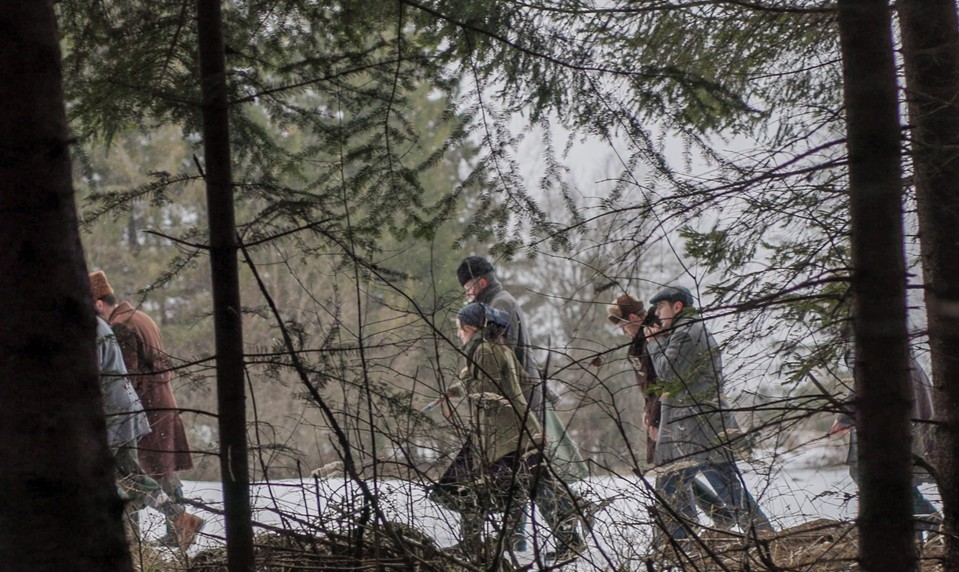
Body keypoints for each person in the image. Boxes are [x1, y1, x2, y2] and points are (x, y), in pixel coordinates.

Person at [430, 303, 585, 562]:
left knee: (476, 490)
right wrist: (459, 387)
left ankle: (472, 546)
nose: (458, 334)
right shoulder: (498, 348)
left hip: (505, 439)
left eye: (459, 328)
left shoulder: (482, 351)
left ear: (470, 327)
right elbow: (520, 381)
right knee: (536, 489)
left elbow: (487, 393)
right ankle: (571, 536)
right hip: (518, 433)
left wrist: (466, 380)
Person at [456, 256, 591, 552]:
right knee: (521, 478)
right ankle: (520, 537)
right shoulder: (500, 300)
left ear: (479, 283)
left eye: (467, 287)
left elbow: (498, 363)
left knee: (524, 478)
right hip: (514, 408)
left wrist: (467, 380)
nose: (467, 293)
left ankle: (550, 533)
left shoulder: (498, 306)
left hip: (511, 411)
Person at [644, 286, 773, 544]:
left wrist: (655, 343)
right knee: (704, 484)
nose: (657, 314)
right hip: (695, 425)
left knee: (678, 485)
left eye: (660, 308)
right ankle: (762, 535)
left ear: (677, 306)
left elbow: (667, 373)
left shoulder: (686, 333)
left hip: (693, 426)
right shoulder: (688, 330)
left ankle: (679, 545)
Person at [606, 293, 736, 531]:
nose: (623, 331)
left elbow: (664, 380)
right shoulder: (641, 340)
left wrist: (656, 417)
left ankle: (685, 528)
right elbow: (649, 385)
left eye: (623, 324)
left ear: (634, 317)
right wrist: (648, 410)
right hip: (661, 412)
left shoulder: (653, 335)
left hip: (672, 414)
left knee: (676, 472)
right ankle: (706, 519)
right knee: (679, 471)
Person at [89, 270, 200, 547]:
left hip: (135, 407)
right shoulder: (140, 317)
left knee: (130, 475)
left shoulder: (120, 326)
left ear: (98, 302)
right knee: (148, 472)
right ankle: (172, 525)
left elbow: (127, 372)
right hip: (150, 403)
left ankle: (146, 534)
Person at [829, 345, 942, 537]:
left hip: (890, 428)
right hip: (909, 424)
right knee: (897, 481)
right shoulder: (900, 351)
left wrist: (846, 418)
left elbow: (866, 384)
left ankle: (929, 522)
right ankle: (915, 531)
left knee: (885, 481)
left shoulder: (863, 346)